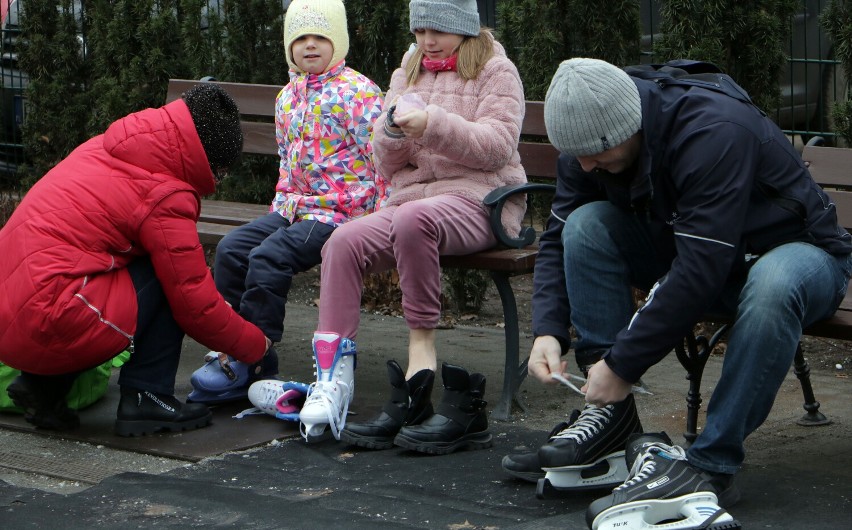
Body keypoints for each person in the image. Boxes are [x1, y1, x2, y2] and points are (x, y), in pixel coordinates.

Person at [504, 57, 852, 527]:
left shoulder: (713, 131)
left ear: (631, 126)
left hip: (801, 256)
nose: (586, 165)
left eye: (596, 154)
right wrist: (548, 330)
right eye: (577, 156)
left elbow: (700, 267)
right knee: (586, 226)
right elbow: (558, 233)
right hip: (706, 259)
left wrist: (624, 364)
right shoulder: (588, 139)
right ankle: (612, 418)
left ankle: (711, 463)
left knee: (773, 283)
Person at [295, 0, 527, 453]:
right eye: (419, 30)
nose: (426, 41)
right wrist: (395, 134)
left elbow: (498, 147)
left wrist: (433, 124)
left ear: (462, 26)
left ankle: (421, 355)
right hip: (411, 201)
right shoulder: (409, 70)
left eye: (435, 30)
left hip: (479, 199)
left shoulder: (497, 71)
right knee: (342, 242)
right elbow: (384, 164)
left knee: (412, 218)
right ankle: (332, 380)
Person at [0, 83, 271, 437]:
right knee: (166, 279)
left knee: (91, 276)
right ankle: (148, 396)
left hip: (10, 319)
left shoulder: (107, 147)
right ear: (208, 159)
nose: (218, 183)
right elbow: (196, 307)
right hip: (50, 320)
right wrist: (257, 347)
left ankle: (43, 388)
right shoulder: (166, 193)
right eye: (221, 171)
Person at [186, 0, 386, 406]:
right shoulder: (287, 97)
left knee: (268, 258)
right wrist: (282, 203)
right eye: (300, 39)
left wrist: (383, 214)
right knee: (232, 250)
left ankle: (252, 356)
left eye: (320, 37)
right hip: (294, 207)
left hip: (340, 210)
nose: (309, 46)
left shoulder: (358, 92)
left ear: (338, 42)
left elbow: (382, 156)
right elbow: (287, 158)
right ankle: (236, 347)